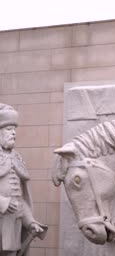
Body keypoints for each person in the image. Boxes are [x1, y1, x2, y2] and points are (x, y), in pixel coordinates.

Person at [0, 104, 44, 256]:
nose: (13, 133)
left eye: (14, 129)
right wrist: (3, 203)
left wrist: (30, 222)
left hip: (13, 227)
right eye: (8, 129)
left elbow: (20, 199)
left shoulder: (17, 158)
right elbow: (9, 202)